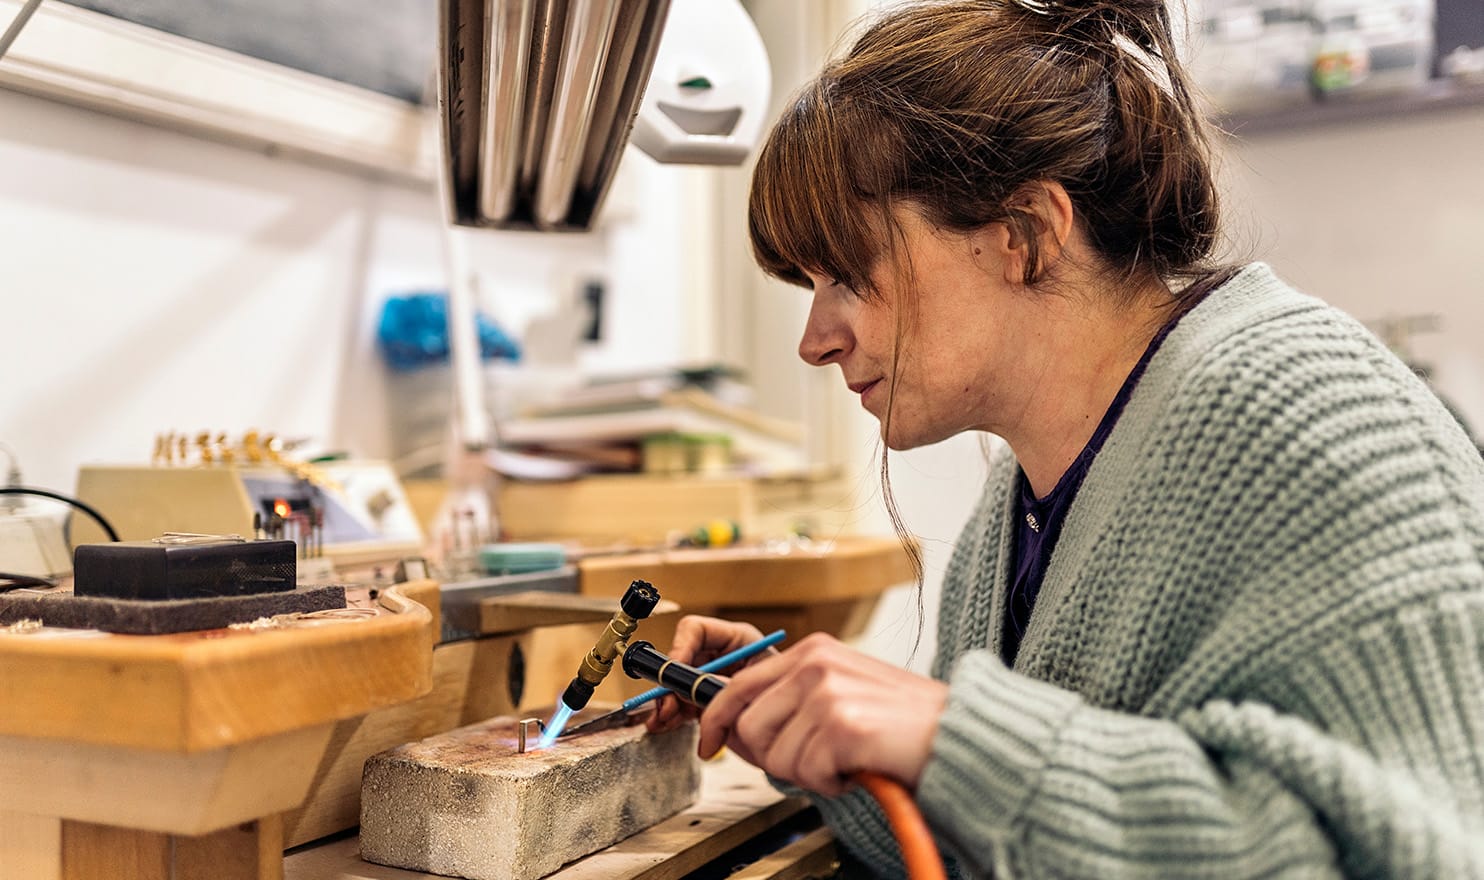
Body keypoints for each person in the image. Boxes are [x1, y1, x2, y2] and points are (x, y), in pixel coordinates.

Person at [646, 0, 1484, 877]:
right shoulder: (1014, 510)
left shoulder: (1312, 421)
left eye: (850, 275)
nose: (815, 341)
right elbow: (1004, 838)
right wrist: (808, 719)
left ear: (1027, 233)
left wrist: (954, 738)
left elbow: (1416, 853)